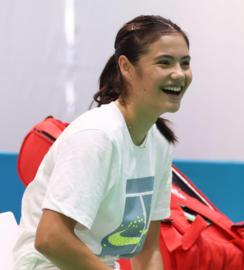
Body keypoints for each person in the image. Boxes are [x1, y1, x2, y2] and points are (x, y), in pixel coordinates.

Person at [13, 15, 192, 269]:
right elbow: (50, 238)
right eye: (164, 63)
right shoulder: (97, 136)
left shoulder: (159, 144)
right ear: (126, 67)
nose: (179, 74)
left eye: (184, 63)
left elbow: (147, 250)